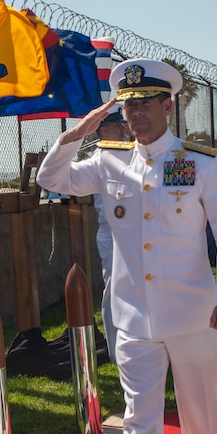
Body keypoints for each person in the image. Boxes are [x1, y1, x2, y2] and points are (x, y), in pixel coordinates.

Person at [37, 59, 217, 434]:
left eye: (146, 104)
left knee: (199, 405)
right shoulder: (108, 160)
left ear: (168, 105)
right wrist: (85, 127)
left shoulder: (200, 162)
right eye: (129, 107)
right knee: (139, 417)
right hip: (132, 315)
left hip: (194, 313)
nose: (137, 115)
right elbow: (53, 177)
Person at [92, 106, 129, 341]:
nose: (123, 129)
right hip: (111, 231)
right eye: (117, 125)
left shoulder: (127, 153)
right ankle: (114, 344)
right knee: (114, 288)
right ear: (104, 129)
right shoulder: (98, 159)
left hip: (131, 230)